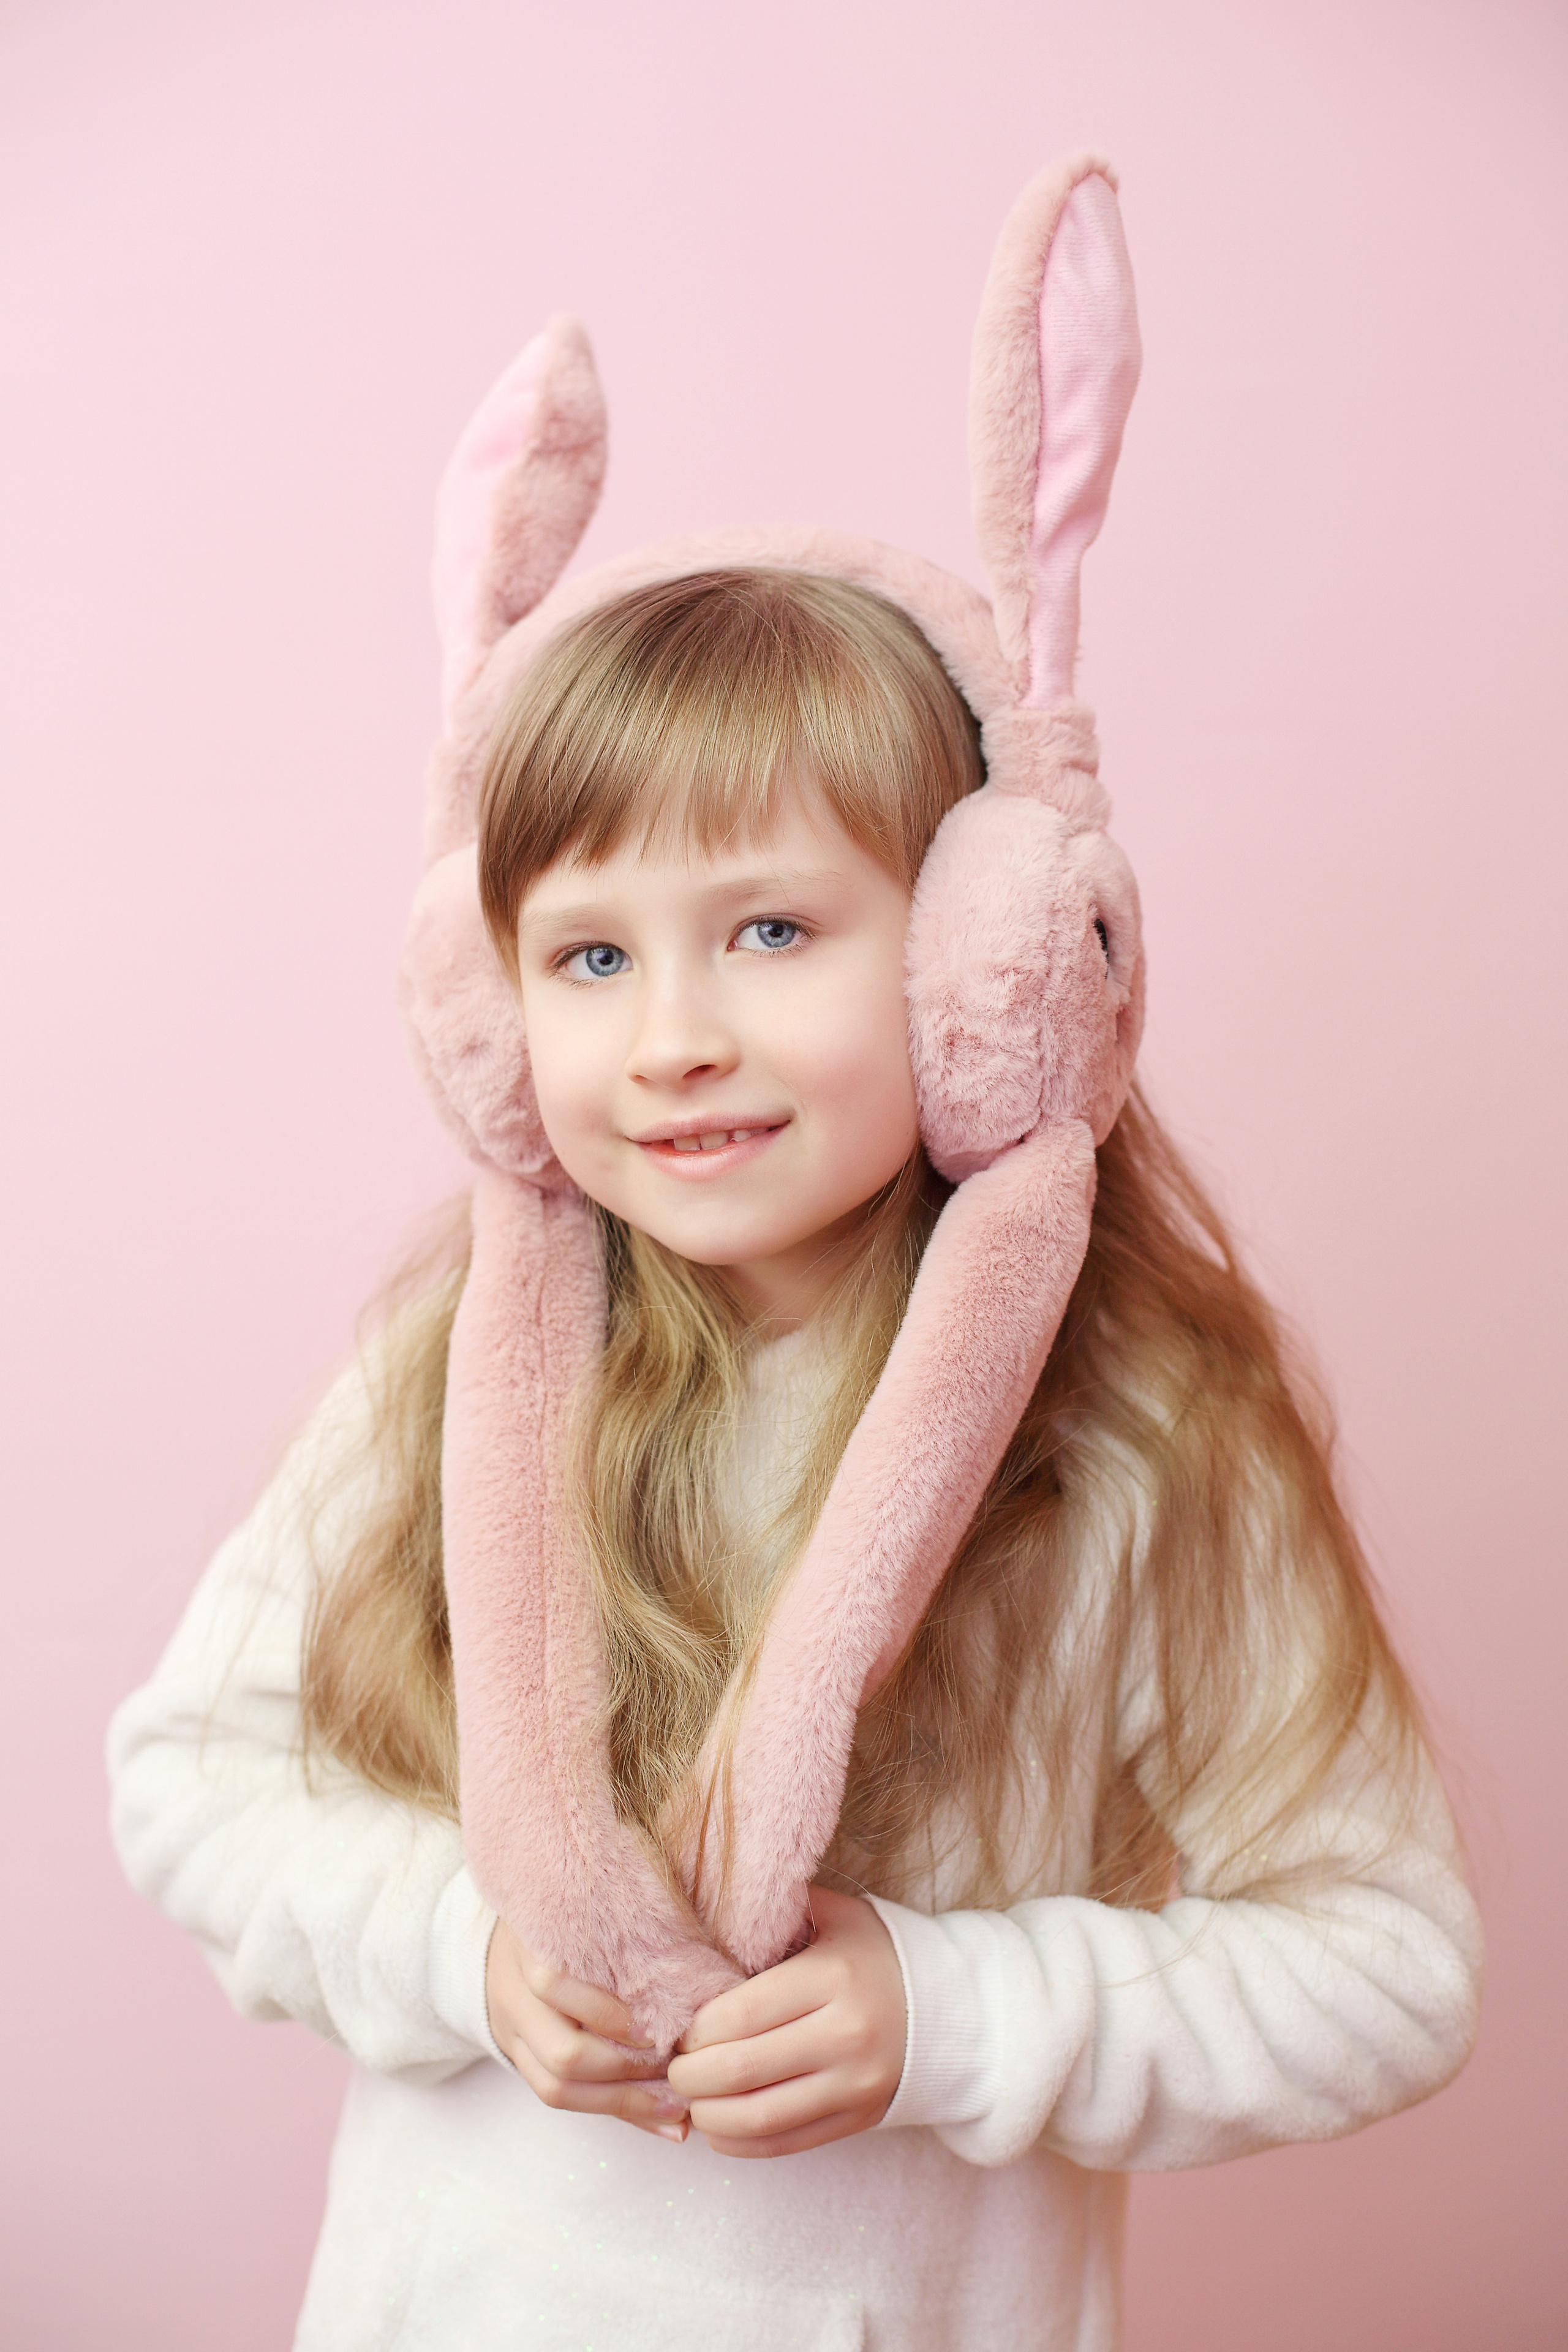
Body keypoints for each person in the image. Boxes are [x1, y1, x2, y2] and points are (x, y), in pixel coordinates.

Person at [108, 159, 1480, 2351]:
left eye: (770, 930)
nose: (670, 1041)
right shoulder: (449, 1382)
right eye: (583, 956)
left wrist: (950, 2014)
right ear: (486, 1004)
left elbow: (1391, 1969)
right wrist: (459, 1953)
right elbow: (187, 1779)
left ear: (977, 956)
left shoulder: (1141, 1446)